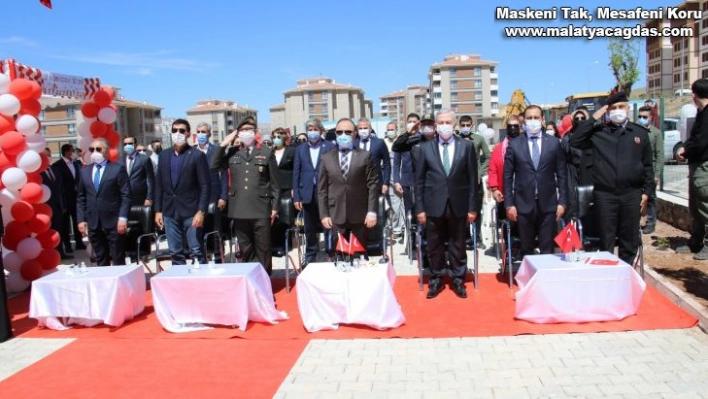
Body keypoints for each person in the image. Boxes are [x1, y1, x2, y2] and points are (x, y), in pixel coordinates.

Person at [571, 92, 654, 265]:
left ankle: (625, 272)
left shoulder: (639, 133)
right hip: (605, 194)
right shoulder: (599, 132)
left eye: (621, 107)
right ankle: (607, 275)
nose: (617, 111)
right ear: (607, 110)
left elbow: (647, 166)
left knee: (629, 239)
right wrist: (595, 116)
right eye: (613, 108)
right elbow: (575, 140)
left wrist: (647, 193)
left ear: (628, 108)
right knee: (606, 239)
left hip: (632, 194)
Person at [415, 109, 478, 299]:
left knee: (458, 244)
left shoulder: (466, 147)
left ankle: (458, 279)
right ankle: (436, 279)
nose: (444, 126)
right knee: (434, 245)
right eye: (441, 122)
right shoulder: (425, 148)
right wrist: (420, 208)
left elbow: (473, 179)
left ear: (455, 124)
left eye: (448, 122)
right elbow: (419, 181)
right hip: (433, 205)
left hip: (458, 204)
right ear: (435, 125)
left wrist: (472, 207)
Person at [212, 117, 280, 274]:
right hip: (239, 208)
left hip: (261, 208)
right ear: (237, 134)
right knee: (246, 247)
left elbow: (275, 184)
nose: (245, 133)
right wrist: (223, 144)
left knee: (263, 248)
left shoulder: (266, 152)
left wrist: (275, 207)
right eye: (242, 130)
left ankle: (265, 284)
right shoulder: (233, 153)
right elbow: (213, 165)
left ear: (255, 132)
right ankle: (251, 281)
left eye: (249, 130)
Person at [503, 105, 568, 256]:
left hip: (548, 204)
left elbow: (562, 174)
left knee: (547, 248)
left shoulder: (554, 143)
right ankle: (529, 278)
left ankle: (545, 278)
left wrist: (562, 202)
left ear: (542, 120)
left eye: (536, 118)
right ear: (523, 121)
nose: (533, 121)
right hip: (523, 205)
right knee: (526, 248)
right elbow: (507, 176)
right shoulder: (515, 144)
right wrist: (509, 204)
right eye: (529, 118)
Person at [318, 118, 379, 257]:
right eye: (339, 132)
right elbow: (322, 189)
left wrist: (372, 212)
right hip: (336, 214)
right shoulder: (326, 158)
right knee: (339, 257)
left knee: (360, 257)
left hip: (360, 214)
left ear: (354, 134)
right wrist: (324, 214)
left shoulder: (365, 156)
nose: (343, 135)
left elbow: (372, 185)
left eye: (347, 131)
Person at [154, 118, 211, 265]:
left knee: (196, 250)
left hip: (191, 211)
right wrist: (158, 210)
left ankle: (200, 283)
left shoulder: (197, 155)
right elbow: (159, 184)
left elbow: (205, 185)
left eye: (181, 131)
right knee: (175, 252)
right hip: (169, 211)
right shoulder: (164, 156)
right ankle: (179, 284)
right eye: (174, 130)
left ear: (188, 134)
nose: (177, 133)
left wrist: (201, 211)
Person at [76, 138, 131, 266]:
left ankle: (120, 284)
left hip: (114, 221)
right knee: (100, 258)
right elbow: (81, 197)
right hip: (94, 222)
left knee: (117, 257)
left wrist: (123, 218)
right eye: (91, 149)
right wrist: (81, 219)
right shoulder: (84, 172)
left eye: (98, 149)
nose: (94, 152)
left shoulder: (117, 169)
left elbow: (126, 195)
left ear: (106, 151)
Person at [293, 118, 335, 264]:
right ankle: (310, 254)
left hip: (325, 193)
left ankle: (331, 252)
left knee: (328, 224)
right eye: (309, 130)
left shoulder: (329, 146)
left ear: (320, 130)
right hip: (307, 193)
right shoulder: (300, 149)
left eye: (315, 129)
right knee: (309, 227)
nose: (312, 132)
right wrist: (296, 196)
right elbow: (296, 173)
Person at [676, 78, 708, 260]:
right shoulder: (701, 113)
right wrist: (685, 148)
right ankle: (696, 241)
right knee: (695, 206)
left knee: (705, 204)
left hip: (704, 167)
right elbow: (695, 137)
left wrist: (685, 151)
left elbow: (702, 141)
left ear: (695, 95)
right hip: (697, 166)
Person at [459, 115, 490, 250]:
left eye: (468, 125)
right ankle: (465, 238)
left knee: (476, 210)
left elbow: (487, 156)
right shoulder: (456, 139)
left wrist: (480, 172)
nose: (465, 127)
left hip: (475, 181)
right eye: (463, 125)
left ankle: (477, 237)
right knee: (461, 211)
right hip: (460, 182)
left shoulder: (478, 139)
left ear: (472, 126)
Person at [194, 123, 228, 236]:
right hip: (196, 194)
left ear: (208, 134)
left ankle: (218, 252)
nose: (200, 134)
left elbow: (224, 175)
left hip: (214, 193)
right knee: (198, 226)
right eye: (198, 132)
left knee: (215, 227)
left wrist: (223, 196)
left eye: (203, 132)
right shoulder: (192, 151)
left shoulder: (216, 151)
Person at [636, 106, 664, 235]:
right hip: (636, 170)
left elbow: (660, 155)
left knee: (651, 197)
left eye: (644, 117)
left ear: (651, 118)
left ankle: (651, 223)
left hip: (650, 170)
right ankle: (634, 222)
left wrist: (657, 174)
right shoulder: (634, 131)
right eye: (640, 117)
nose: (642, 119)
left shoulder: (656, 133)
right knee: (635, 196)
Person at [53, 143, 85, 253]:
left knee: (78, 220)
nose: (74, 153)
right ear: (67, 152)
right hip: (65, 199)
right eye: (72, 151)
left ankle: (79, 242)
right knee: (65, 224)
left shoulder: (77, 164)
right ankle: (67, 245)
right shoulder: (57, 165)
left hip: (77, 198)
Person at [488, 116, 522, 219]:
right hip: (505, 193)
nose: (513, 128)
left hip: (524, 193)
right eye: (510, 126)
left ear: (520, 128)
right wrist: (494, 189)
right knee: (506, 223)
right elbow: (492, 169)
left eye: (515, 126)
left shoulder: (527, 145)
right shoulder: (498, 148)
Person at [270, 127, 296, 255]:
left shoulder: (292, 151)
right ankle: (276, 244)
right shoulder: (270, 152)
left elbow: (296, 170)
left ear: (284, 138)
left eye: (279, 136)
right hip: (273, 188)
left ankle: (287, 243)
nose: (276, 139)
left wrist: (294, 188)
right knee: (274, 215)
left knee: (286, 214)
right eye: (274, 137)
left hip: (287, 187)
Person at [41, 147, 70, 260]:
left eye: (49, 155)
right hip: (45, 207)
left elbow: (61, 189)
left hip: (58, 206)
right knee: (47, 232)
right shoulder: (37, 172)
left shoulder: (55, 170)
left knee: (59, 230)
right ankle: (49, 254)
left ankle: (60, 252)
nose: (47, 158)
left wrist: (63, 205)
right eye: (44, 156)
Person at [355, 117, 391, 194]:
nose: (363, 130)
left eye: (365, 128)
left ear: (370, 129)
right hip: (358, 186)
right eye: (360, 128)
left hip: (376, 184)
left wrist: (385, 183)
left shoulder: (379, 143)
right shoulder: (354, 144)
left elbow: (387, 163)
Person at [119, 135, 154, 206]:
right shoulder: (120, 160)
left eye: (130, 143)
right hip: (124, 198)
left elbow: (150, 179)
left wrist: (149, 197)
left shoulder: (144, 159)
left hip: (140, 197)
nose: (127, 146)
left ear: (136, 144)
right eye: (125, 144)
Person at [384, 121, 404, 240]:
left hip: (399, 180)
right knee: (391, 207)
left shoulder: (401, 142)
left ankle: (401, 228)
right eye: (388, 129)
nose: (390, 131)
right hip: (388, 181)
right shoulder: (384, 143)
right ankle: (393, 228)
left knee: (400, 207)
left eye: (392, 129)